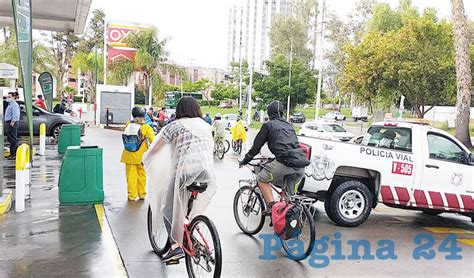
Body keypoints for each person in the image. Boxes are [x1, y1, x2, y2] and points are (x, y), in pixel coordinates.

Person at [143, 97, 216, 262]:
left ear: (179, 111)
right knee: (186, 206)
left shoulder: (174, 126)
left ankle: (175, 247)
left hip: (185, 173)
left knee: (167, 207)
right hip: (206, 173)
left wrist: (145, 158)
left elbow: (154, 150)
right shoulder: (206, 125)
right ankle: (189, 224)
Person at [239, 100, 310, 214]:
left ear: (269, 112)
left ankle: (271, 207)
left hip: (285, 163)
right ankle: (287, 218)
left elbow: (256, 147)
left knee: (262, 178)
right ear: (282, 112)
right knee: (288, 200)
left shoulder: (268, 125)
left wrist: (245, 160)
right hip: (300, 165)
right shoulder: (289, 125)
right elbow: (288, 144)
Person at [120, 107, 155, 201]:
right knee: (141, 175)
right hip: (141, 156)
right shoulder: (146, 127)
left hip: (128, 155)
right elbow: (153, 141)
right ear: (144, 116)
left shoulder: (128, 124)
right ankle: (142, 194)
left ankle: (132, 195)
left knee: (131, 177)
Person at [4, 91, 21, 159]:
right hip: (9, 122)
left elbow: (16, 114)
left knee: (13, 139)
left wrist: (13, 122)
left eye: (9, 97)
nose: (7, 98)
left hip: (12, 123)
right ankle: (12, 153)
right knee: (10, 139)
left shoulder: (14, 105)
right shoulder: (10, 104)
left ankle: (15, 154)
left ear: (13, 97)